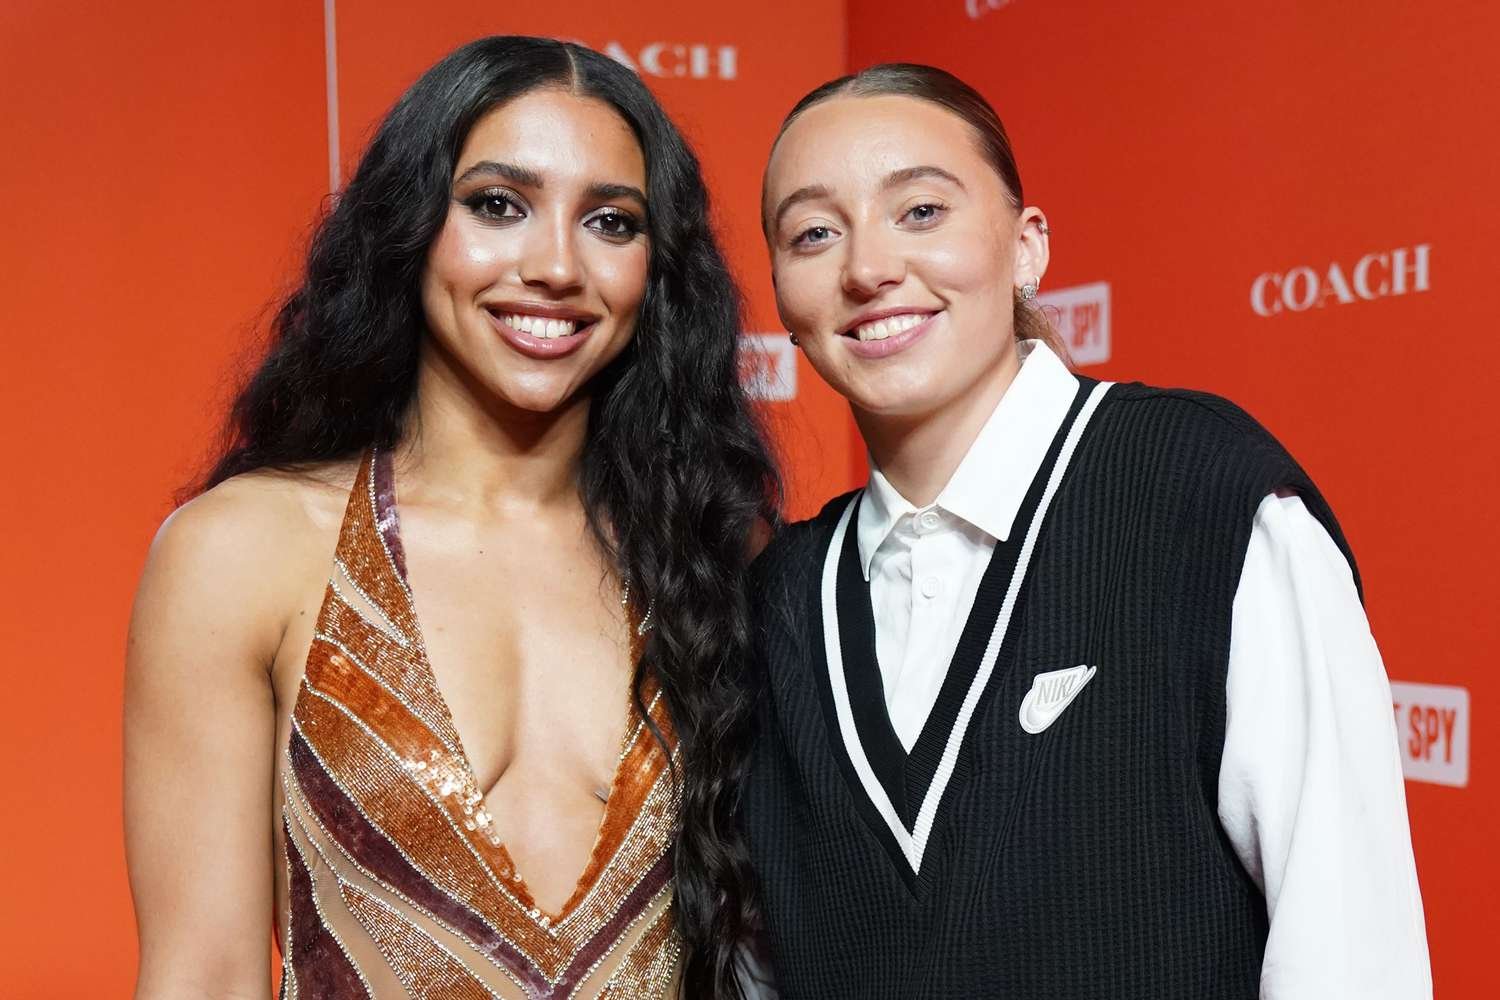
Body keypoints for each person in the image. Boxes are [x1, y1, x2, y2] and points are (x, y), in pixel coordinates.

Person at [742, 63, 1430, 999]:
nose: (867, 268)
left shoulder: (1201, 494)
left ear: (1026, 246)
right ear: (783, 295)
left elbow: (1348, 953)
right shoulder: (779, 598)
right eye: (814, 234)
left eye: (921, 211)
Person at [125, 36, 777, 1000]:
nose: (555, 265)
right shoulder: (246, 551)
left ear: (659, 268)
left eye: (611, 221)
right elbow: (204, 975)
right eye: (499, 205)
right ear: (412, 223)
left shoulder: (715, 554)